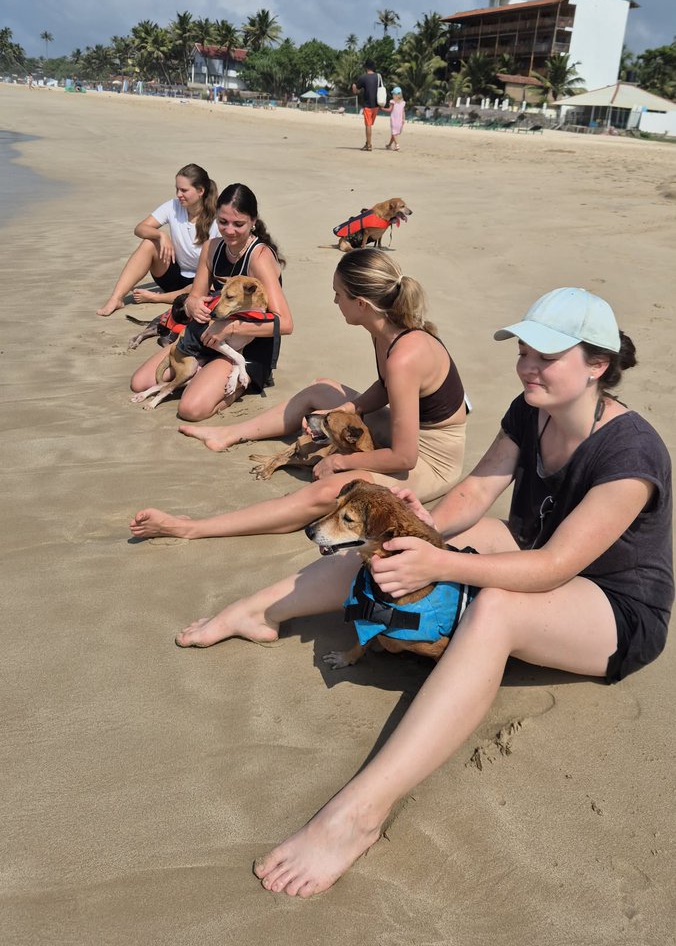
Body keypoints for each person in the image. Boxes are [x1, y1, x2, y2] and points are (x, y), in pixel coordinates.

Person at [172, 286, 672, 897]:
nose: (527, 366)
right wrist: (425, 528)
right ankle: (257, 611)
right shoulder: (531, 409)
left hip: (615, 610)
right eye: (524, 350)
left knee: (497, 610)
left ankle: (358, 815)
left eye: (547, 355)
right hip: (540, 562)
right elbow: (476, 492)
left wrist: (442, 565)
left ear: (596, 365)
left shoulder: (632, 452)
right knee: (400, 540)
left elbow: (555, 566)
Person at [130, 249, 467, 539]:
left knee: (329, 492)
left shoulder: (405, 355)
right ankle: (228, 434)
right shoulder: (386, 329)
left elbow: (404, 458)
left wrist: (340, 461)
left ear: (361, 303)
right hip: (404, 429)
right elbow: (385, 387)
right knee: (321, 389)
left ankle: (195, 528)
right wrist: (347, 408)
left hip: (430, 460)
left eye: (339, 294)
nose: (334, 301)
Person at [129, 183, 292, 422]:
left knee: (190, 410)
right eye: (223, 222)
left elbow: (285, 323)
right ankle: (201, 376)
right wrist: (192, 305)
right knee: (139, 382)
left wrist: (230, 327)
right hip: (207, 338)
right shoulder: (212, 247)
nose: (229, 230)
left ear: (253, 222)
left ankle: (236, 384)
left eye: (239, 224)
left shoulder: (260, 257)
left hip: (246, 346)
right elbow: (194, 296)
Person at [96, 164, 219, 316]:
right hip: (173, 276)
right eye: (177, 189)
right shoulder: (173, 206)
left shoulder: (218, 218)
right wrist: (161, 235)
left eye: (184, 190)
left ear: (200, 191)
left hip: (202, 284)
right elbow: (140, 228)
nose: (179, 194)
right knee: (149, 243)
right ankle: (116, 299)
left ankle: (156, 297)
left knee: (205, 287)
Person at [352, 59, 380, 152]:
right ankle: (367, 143)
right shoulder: (378, 77)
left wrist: (354, 87)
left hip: (368, 105)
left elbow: (356, 90)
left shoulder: (363, 77)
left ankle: (369, 145)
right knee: (370, 124)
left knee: (368, 125)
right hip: (377, 104)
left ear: (366, 67)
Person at [385, 86, 406, 151]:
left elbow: (389, 110)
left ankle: (397, 145)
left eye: (393, 94)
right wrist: (403, 119)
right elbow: (403, 112)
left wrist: (382, 108)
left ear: (396, 95)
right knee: (394, 133)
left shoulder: (392, 102)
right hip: (400, 120)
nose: (392, 95)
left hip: (394, 120)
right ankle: (389, 145)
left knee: (394, 133)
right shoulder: (403, 103)